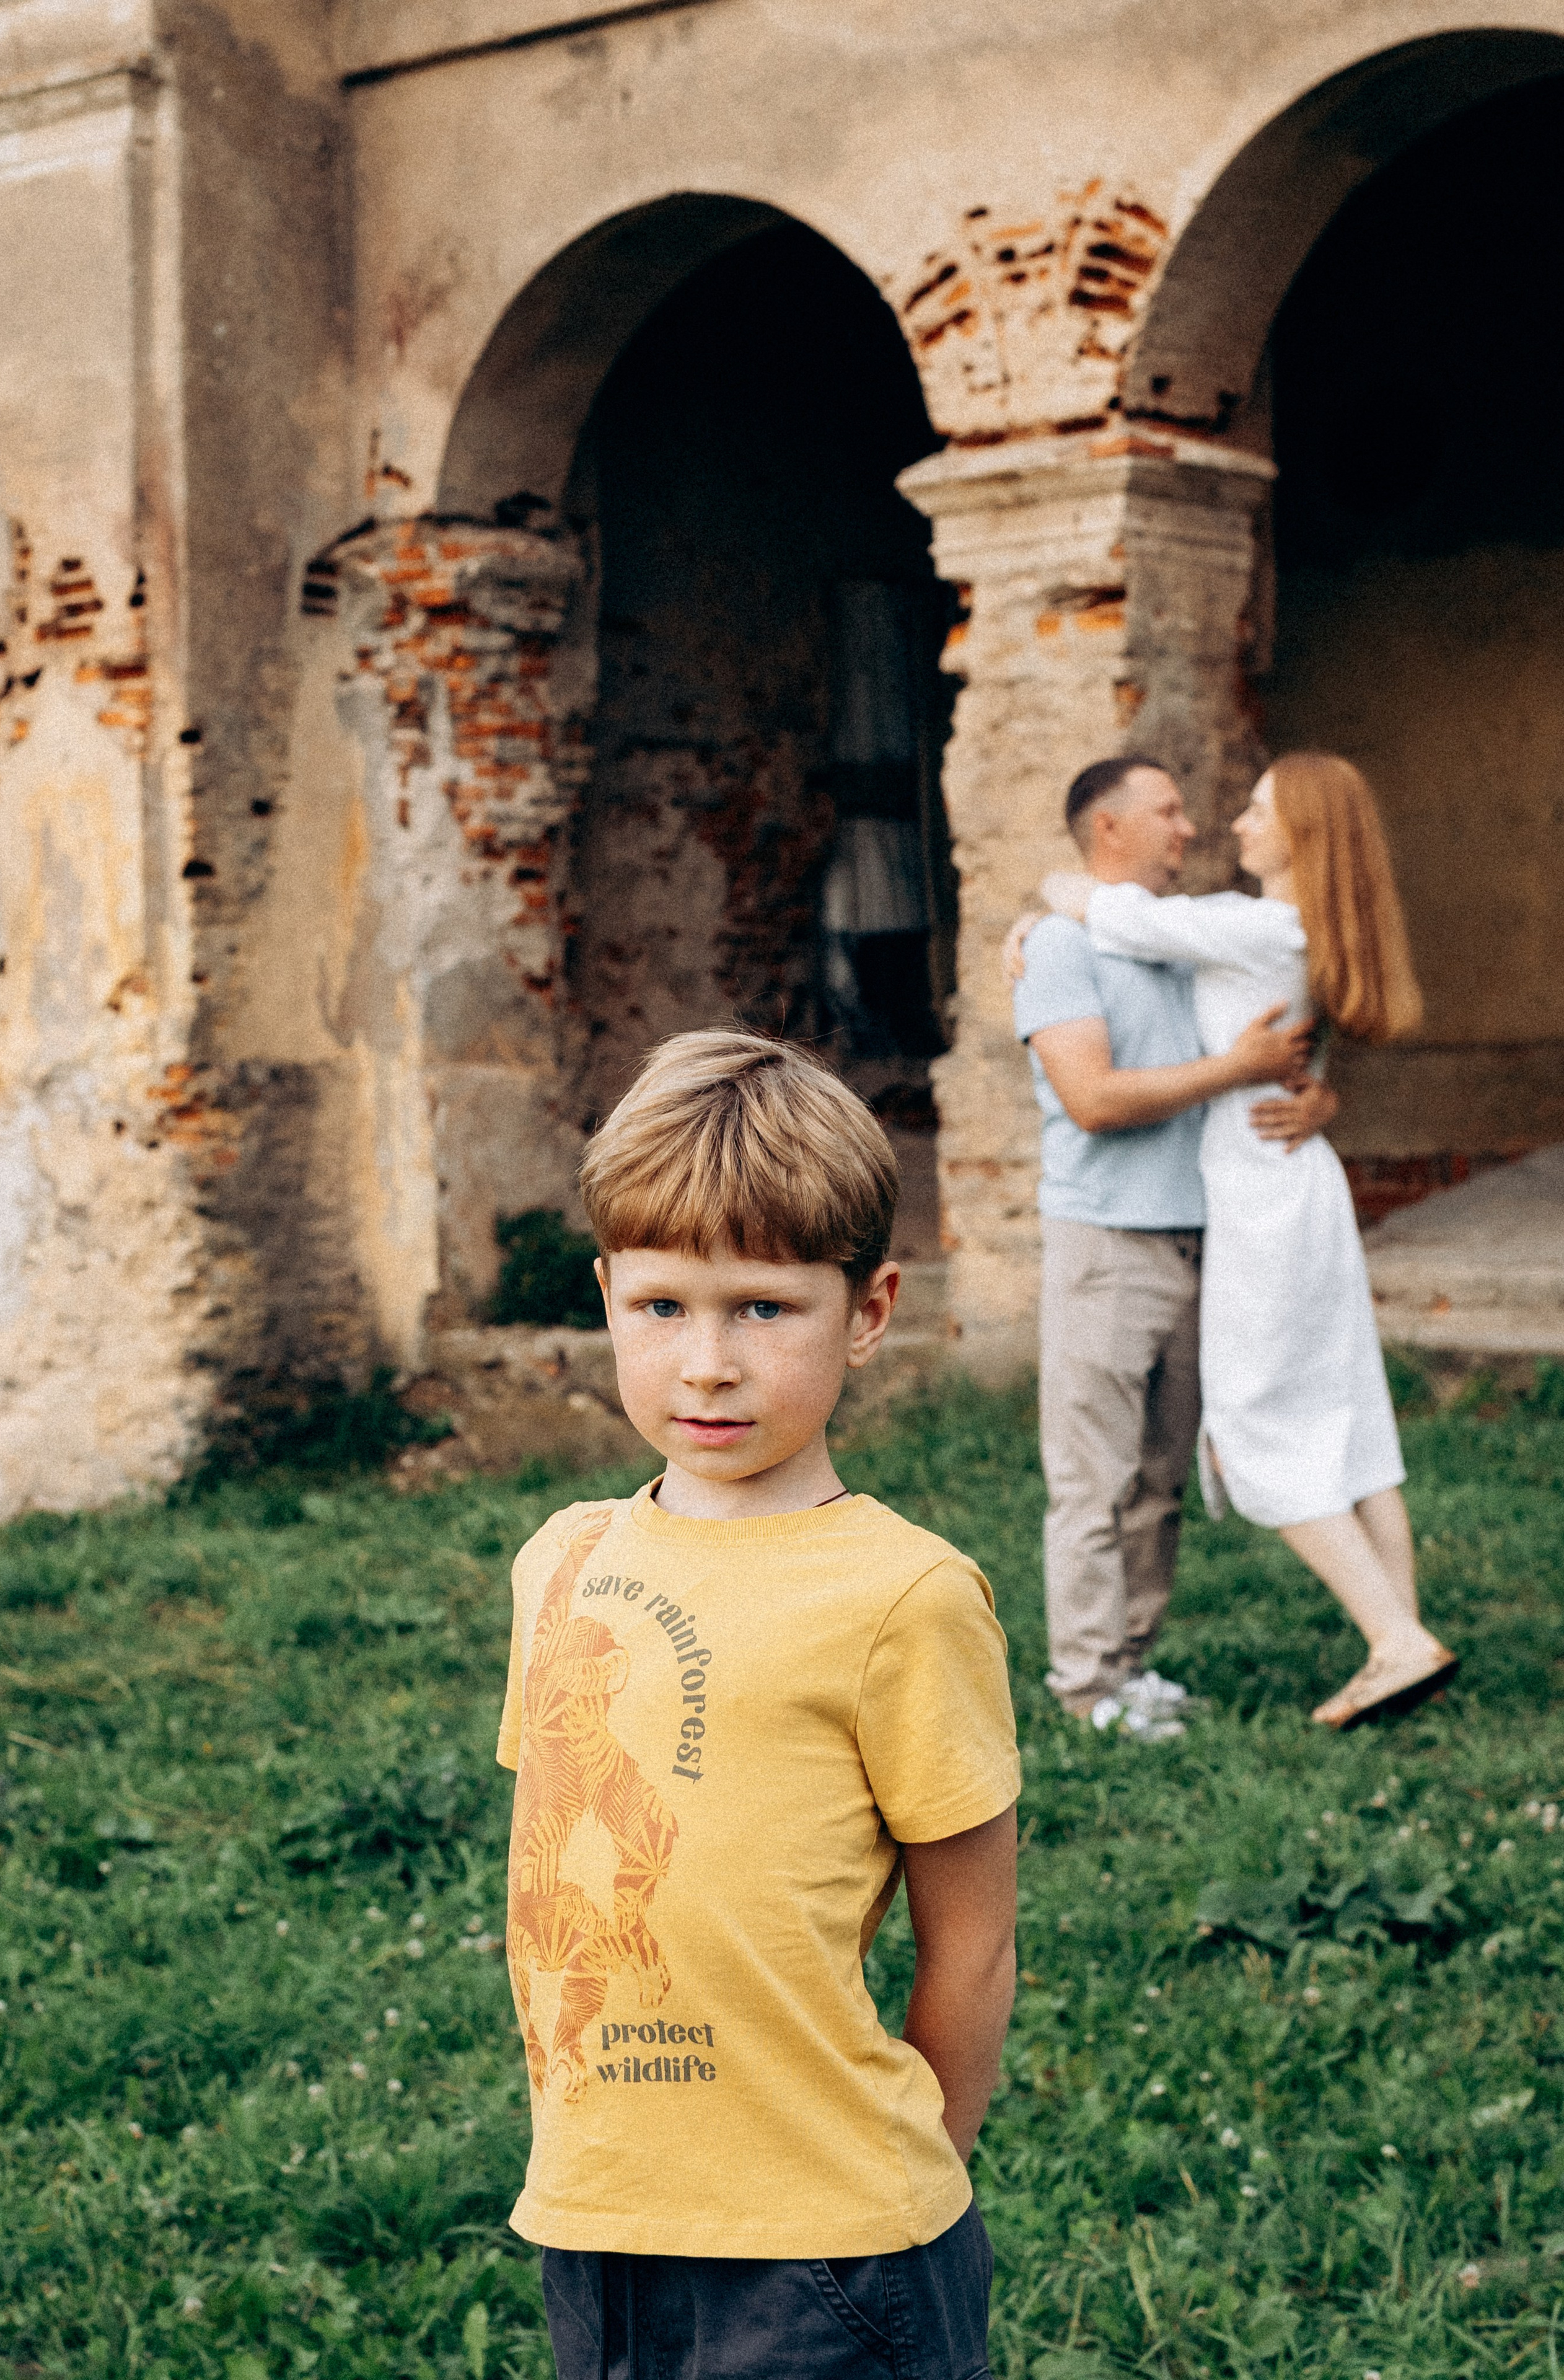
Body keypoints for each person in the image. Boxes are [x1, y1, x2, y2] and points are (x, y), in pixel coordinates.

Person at [496, 1029, 1021, 2380]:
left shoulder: (905, 1597)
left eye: (762, 1310)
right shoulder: (561, 1563)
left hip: (830, 2255)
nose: (706, 1364)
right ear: (606, 1291)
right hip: (598, 2221)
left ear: (870, 1307)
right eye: (661, 1307)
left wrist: (901, 2186)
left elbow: (967, 1946)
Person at [1037, 752, 1455, 1729]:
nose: (1224, 827)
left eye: (1254, 811)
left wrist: (1050, 892)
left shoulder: (1251, 929)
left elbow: (1118, 913)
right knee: (1351, 1419)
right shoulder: (1286, 932)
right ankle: (1402, 1634)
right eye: (1178, 810)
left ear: (1302, 833)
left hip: (1262, 1201)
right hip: (1294, 1187)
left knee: (1257, 1429)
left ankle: (1396, 1643)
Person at [1001, 757, 1335, 1737]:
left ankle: (1132, 1666)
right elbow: (1095, 1101)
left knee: (1160, 1473)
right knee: (1092, 1477)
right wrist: (1235, 1066)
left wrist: (1314, 1095)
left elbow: (1279, 1051)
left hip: (1206, 1239)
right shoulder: (1062, 947)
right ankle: (1086, 1685)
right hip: (1107, 1241)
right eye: (1169, 812)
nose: (1191, 829)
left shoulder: (1178, 940)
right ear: (1108, 827)